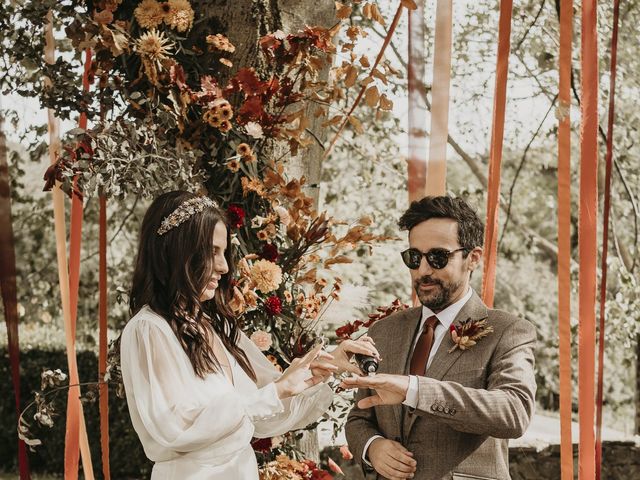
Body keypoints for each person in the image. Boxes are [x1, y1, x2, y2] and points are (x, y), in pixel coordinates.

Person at [120, 190, 378, 479]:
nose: (224, 267)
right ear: (175, 251)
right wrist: (278, 390)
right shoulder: (150, 329)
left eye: (224, 252)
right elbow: (177, 428)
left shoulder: (215, 327)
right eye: (211, 252)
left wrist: (323, 366)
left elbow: (266, 411)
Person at [343, 196, 536, 480]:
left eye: (437, 257)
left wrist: (416, 390)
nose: (423, 270)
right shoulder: (384, 331)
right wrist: (373, 447)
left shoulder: (508, 331)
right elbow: (360, 416)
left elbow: (514, 412)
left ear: (473, 258)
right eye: (414, 257)